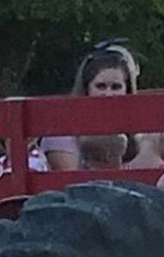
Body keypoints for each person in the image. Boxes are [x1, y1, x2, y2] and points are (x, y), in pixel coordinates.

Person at [41, 40, 140, 171]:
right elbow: (73, 182)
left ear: (127, 90)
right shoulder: (62, 134)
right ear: (86, 88)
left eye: (116, 87)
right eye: (101, 86)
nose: (108, 94)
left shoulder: (140, 131)